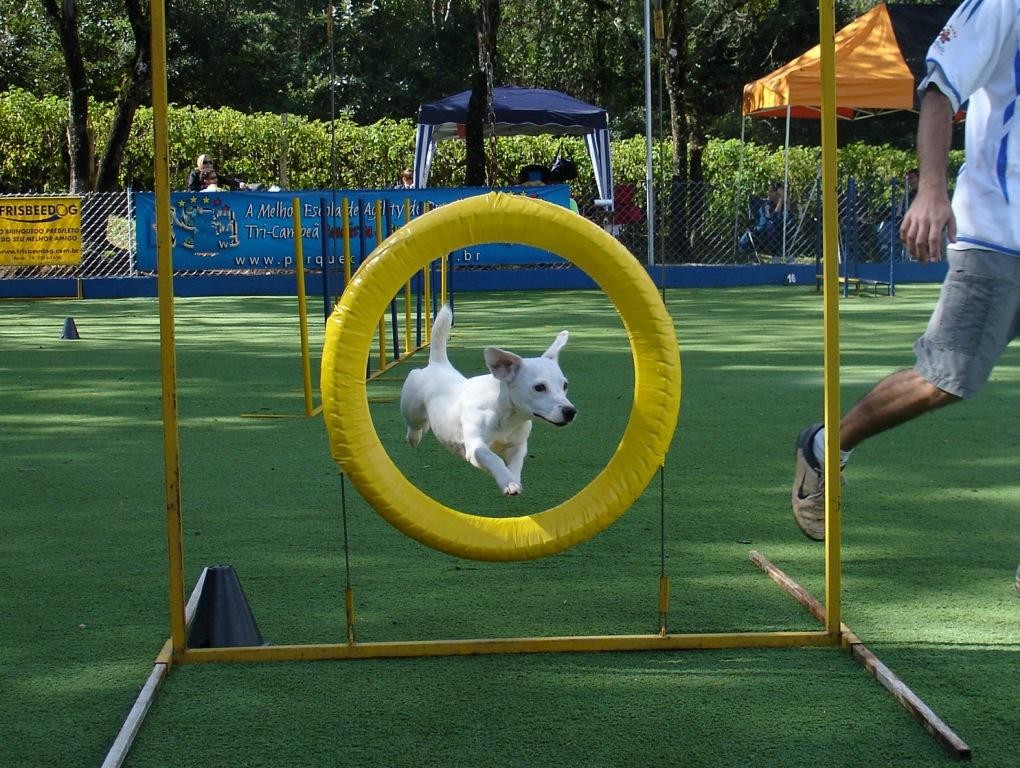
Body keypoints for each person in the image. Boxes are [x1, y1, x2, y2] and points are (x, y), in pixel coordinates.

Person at [790, 0, 1020, 594]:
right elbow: (940, 86)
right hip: (999, 234)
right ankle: (826, 444)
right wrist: (932, 190)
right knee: (944, 379)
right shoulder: (1000, 6)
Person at [739, 181, 790, 258]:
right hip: (761, 232)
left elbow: (787, 216)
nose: (768, 194)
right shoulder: (766, 204)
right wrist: (781, 200)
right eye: (768, 191)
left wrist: (784, 199)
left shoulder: (781, 206)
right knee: (771, 224)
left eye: (771, 192)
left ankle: (784, 254)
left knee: (777, 225)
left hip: (777, 234)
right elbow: (773, 218)